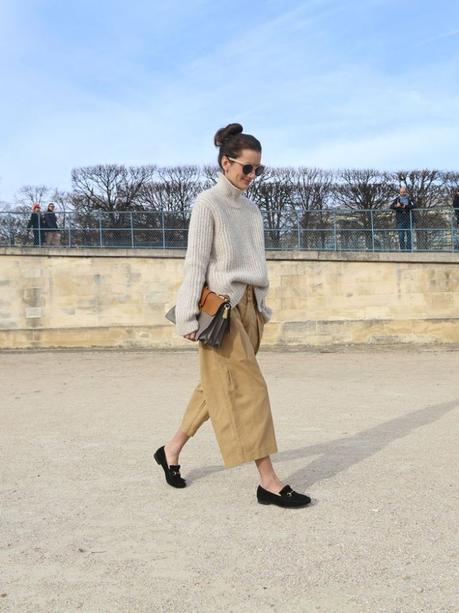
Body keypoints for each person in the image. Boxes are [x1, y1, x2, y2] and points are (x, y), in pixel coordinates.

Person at [154, 123, 312, 508]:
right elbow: (195, 264)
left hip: (250, 309)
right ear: (226, 163)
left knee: (215, 386)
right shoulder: (207, 204)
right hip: (220, 312)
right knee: (248, 390)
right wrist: (187, 317)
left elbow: (257, 261)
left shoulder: (253, 209)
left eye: (258, 169)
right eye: (246, 168)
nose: (252, 176)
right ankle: (268, 482)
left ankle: (170, 449)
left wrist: (262, 303)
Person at [390, 186, 416, 251]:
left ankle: (409, 251)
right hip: (400, 220)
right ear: (399, 192)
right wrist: (397, 206)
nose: (402, 193)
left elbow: (415, 205)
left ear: (406, 192)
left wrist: (405, 206)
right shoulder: (397, 199)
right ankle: (402, 250)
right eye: (401, 192)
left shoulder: (409, 199)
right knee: (401, 236)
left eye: (404, 192)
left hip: (409, 220)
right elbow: (391, 206)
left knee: (409, 236)